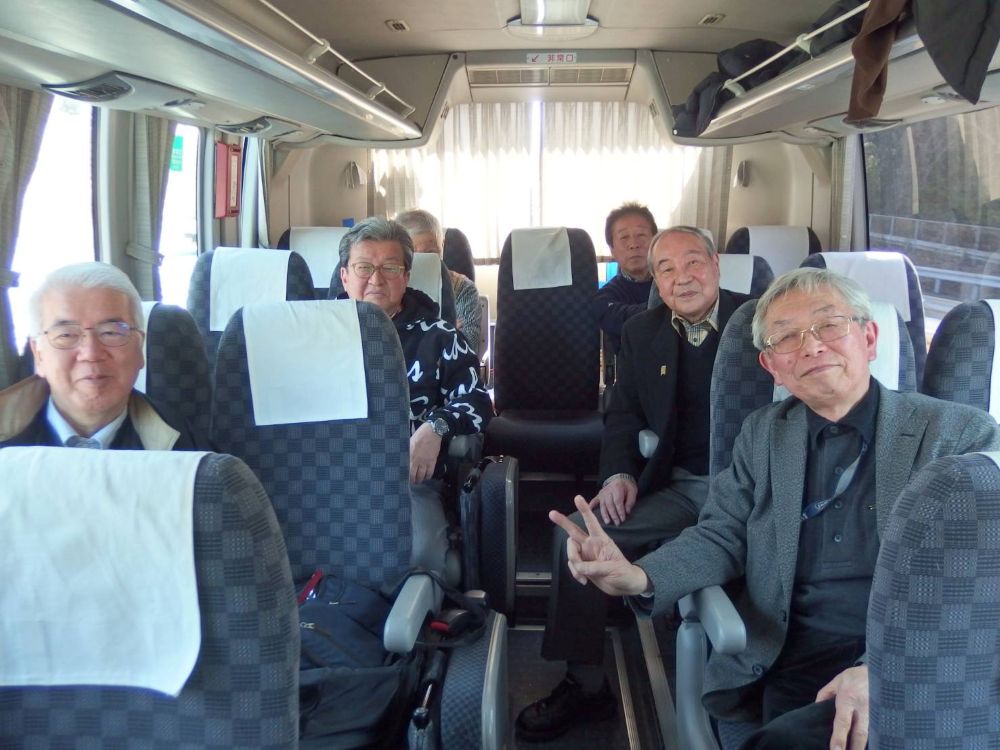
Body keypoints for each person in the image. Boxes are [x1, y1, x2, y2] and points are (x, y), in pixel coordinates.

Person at [549, 267, 1000, 750]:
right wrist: (639, 576)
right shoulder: (763, 434)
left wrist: (882, 669)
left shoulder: (959, 436)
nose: (812, 346)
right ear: (771, 367)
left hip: (919, 662)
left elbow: (980, 586)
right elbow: (721, 535)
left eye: (830, 325)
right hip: (792, 653)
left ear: (869, 338)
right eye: (787, 337)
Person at [516, 226, 753, 742]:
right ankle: (586, 682)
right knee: (578, 535)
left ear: (716, 264)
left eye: (693, 263)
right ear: (656, 281)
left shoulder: (760, 322)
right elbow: (623, 412)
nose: (681, 278)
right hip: (682, 486)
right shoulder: (642, 332)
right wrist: (619, 473)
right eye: (666, 268)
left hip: (757, 495)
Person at [338, 217, 493, 577]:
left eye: (390, 268)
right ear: (345, 276)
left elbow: (477, 400)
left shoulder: (438, 335)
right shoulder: (314, 333)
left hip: (407, 481)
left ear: (406, 276)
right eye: (364, 267)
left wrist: (435, 428)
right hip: (331, 479)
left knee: (417, 555)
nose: (376, 279)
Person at [0, 262, 209, 450]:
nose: (91, 354)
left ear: (139, 347)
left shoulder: (190, 450)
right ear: (38, 355)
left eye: (111, 332)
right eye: (66, 335)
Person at [395, 208, 482, 354]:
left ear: (442, 246)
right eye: (414, 255)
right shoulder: (387, 288)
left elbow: (467, 348)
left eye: (431, 254)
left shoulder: (463, 289)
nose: (423, 264)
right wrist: (445, 332)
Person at [593, 202, 658, 356]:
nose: (634, 244)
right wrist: (672, 307)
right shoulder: (604, 297)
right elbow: (629, 323)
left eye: (641, 235)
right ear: (612, 250)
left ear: (656, 242)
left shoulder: (675, 283)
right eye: (624, 237)